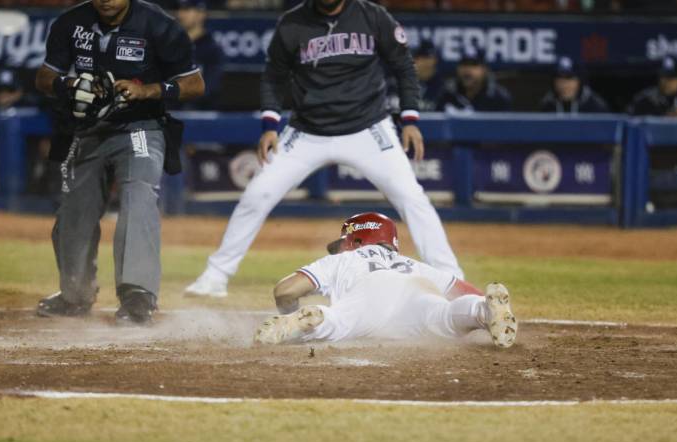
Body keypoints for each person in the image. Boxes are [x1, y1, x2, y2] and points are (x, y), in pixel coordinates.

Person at [185, 0, 464, 298]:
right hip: (307, 131)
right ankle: (215, 277)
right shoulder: (293, 23)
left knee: (412, 197)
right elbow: (274, 76)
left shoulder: (372, 15)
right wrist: (269, 125)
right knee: (257, 194)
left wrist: (410, 118)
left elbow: (403, 66)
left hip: (368, 128)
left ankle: (451, 279)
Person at [34, 0, 205, 323]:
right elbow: (44, 77)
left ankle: (138, 296)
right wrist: (68, 85)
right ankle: (75, 295)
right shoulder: (70, 23)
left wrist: (150, 90)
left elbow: (195, 85)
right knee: (74, 210)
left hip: (140, 127)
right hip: (86, 131)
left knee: (138, 195)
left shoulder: (160, 25)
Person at [253, 212, 517, 347]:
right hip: (415, 291)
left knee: (339, 321)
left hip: (367, 295)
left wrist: (289, 313)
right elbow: (464, 289)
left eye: (345, 242)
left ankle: (313, 319)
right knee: (446, 316)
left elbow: (285, 290)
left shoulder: (344, 259)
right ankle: (481, 312)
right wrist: (481, 303)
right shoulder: (412, 264)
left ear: (356, 240)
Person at [175, 0, 224, 109]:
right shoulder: (172, 45)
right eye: (180, 9)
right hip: (172, 111)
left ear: (201, 14)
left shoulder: (211, 49)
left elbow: (210, 89)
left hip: (200, 114)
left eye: (187, 10)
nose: (180, 14)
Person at [437, 48, 513, 113]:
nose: (467, 70)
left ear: (484, 69)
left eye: (473, 65)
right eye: (464, 64)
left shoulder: (498, 97)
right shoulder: (446, 94)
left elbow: (505, 128)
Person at [539, 57, 610, 114]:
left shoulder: (595, 105)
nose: (564, 85)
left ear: (580, 81)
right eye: (560, 80)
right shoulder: (548, 104)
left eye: (569, 79)